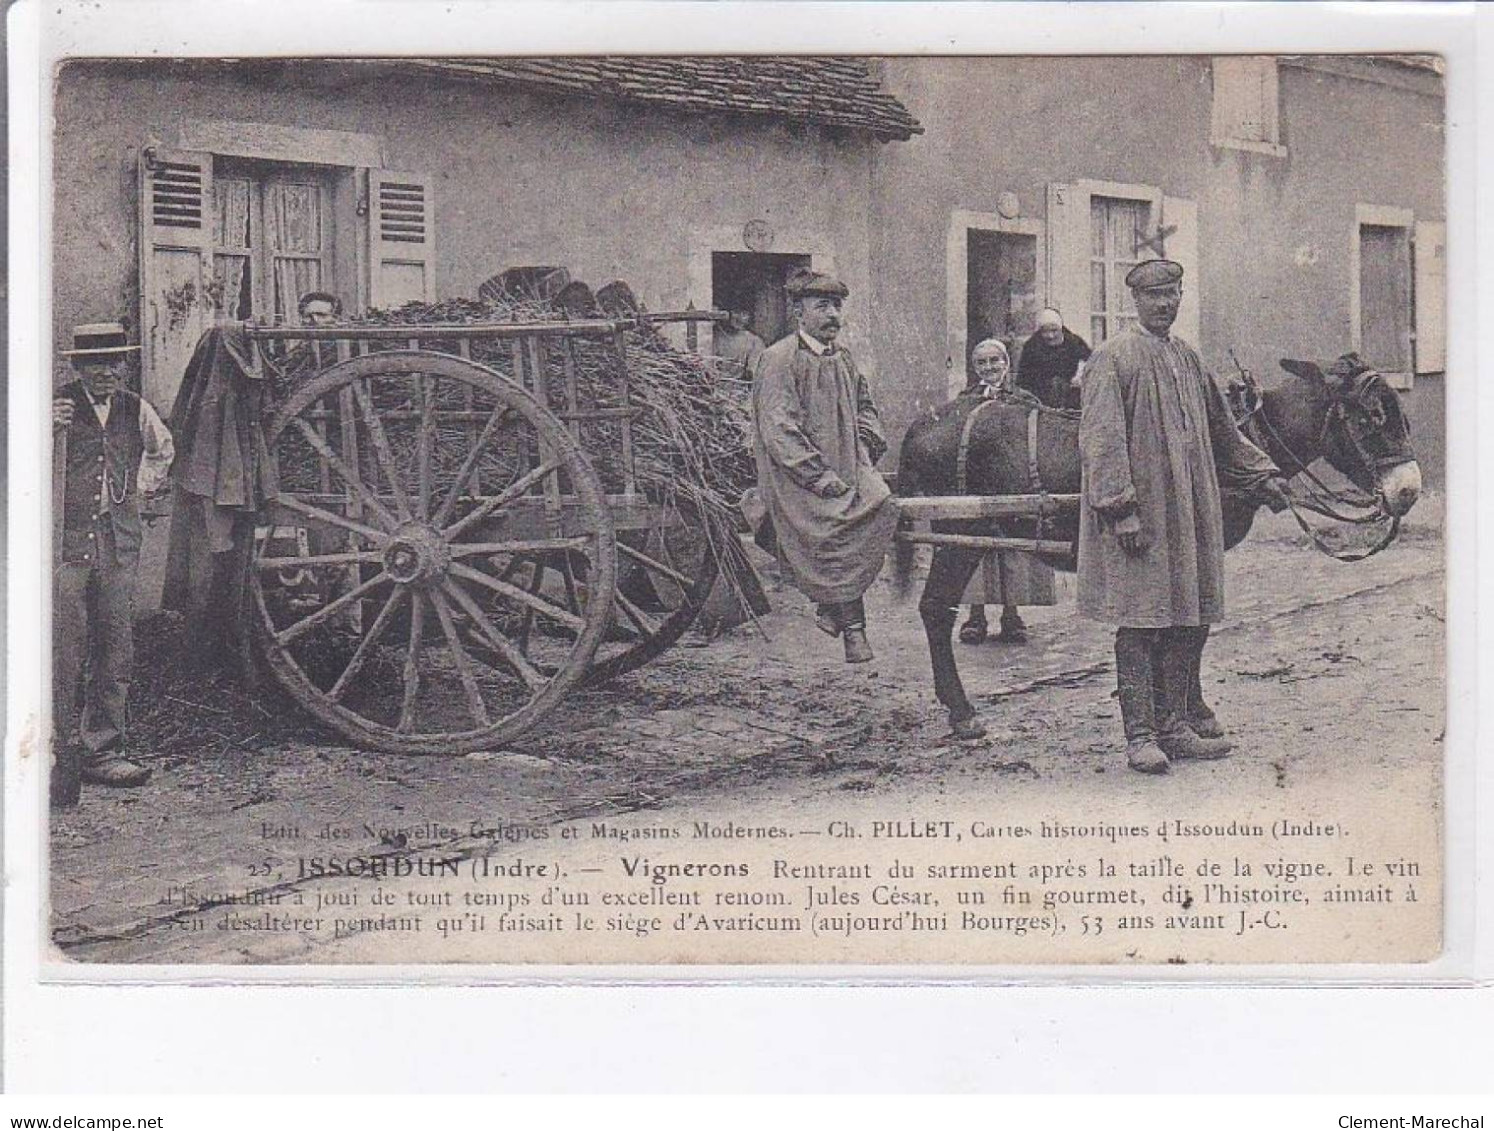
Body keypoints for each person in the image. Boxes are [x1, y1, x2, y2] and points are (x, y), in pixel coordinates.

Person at [1078, 261, 1288, 774]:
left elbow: (1223, 432)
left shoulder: (1188, 358)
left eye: (1172, 295)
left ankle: (1175, 727)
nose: (1165, 304)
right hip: (1142, 515)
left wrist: (1262, 475)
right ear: (1135, 301)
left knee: (1187, 618)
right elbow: (1101, 441)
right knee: (1142, 618)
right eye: (1155, 296)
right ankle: (1141, 737)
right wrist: (1120, 509)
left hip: (1190, 511)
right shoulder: (1112, 358)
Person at [751, 270, 897, 664]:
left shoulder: (843, 358)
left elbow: (866, 408)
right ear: (799, 312)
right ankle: (853, 628)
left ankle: (833, 609)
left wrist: (864, 443)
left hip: (848, 467)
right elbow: (778, 429)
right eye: (822, 306)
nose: (833, 315)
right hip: (796, 478)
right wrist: (819, 476)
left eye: (836, 306)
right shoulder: (779, 358)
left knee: (882, 505)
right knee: (838, 521)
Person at [53, 322, 175, 788]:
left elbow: (162, 451)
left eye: (113, 362)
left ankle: (103, 750)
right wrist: (43, 429)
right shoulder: (56, 408)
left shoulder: (134, 408)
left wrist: (137, 494)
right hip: (67, 542)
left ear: (123, 367)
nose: (106, 372)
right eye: (95, 363)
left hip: (118, 542)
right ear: (80, 367)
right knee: (64, 648)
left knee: (114, 646)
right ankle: (59, 749)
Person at [957, 338, 1048, 646]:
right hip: (978, 484)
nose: (989, 367)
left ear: (1007, 364)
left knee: (1013, 549)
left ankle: (1012, 615)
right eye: (982, 363)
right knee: (975, 548)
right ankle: (976, 616)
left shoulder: (1024, 399)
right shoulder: (966, 399)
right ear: (974, 368)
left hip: (1013, 482)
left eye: (995, 361)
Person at [1017, 307, 1090, 411]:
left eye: (1054, 330)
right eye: (1045, 331)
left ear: (1061, 329)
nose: (1050, 336)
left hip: (1072, 402)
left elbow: (1089, 364)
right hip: (1041, 402)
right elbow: (1023, 381)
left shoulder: (1075, 343)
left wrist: (1080, 376)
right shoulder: (1031, 347)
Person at [713, 307, 766, 381]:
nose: (739, 318)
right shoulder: (714, 336)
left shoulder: (754, 342)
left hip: (740, 388)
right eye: (736, 312)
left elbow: (753, 373)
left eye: (744, 314)